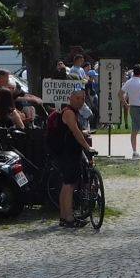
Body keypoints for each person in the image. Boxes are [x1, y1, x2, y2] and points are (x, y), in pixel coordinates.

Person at [48, 86, 95, 228]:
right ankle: (69, 218)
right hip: (68, 153)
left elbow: (73, 130)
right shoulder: (69, 112)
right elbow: (75, 131)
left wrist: (83, 132)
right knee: (69, 186)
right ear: (71, 98)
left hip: (67, 153)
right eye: (78, 98)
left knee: (67, 184)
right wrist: (87, 147)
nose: (81, 101)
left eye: (83, 99)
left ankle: (64, 217)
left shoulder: (71, 112)